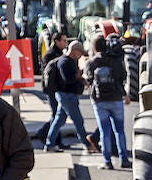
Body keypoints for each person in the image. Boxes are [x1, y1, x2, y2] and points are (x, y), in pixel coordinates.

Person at [85, 33, 131, 169]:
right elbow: (122, 77)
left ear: (94, 48)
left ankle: (107, 161)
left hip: (99, 101)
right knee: (120, 130)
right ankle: (124, 159)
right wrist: (124, 95)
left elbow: (88, 80)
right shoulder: (114, 61)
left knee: (105, 132)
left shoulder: (92, 62)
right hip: (116, 99)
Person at [44, 40, 89, 153]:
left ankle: (50, 144)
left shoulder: (70, 61)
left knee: (59, 120)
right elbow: (67, 79)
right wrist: (78, 76)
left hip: (66, 95)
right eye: (80, 52)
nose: (80, 55)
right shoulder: (65, 62)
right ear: (74, 51)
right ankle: (86, 143)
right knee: (78, 120)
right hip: (67, 95)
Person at [36, 31, 68, 141]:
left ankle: (45, 134)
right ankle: (52, 138)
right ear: (57, 41)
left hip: (57, 88)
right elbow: (48, 73)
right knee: (57, 114)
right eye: (64, 40)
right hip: (51, 89)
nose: (66, 43)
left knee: (58, 115)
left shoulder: (60, 53)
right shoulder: (50, 54)